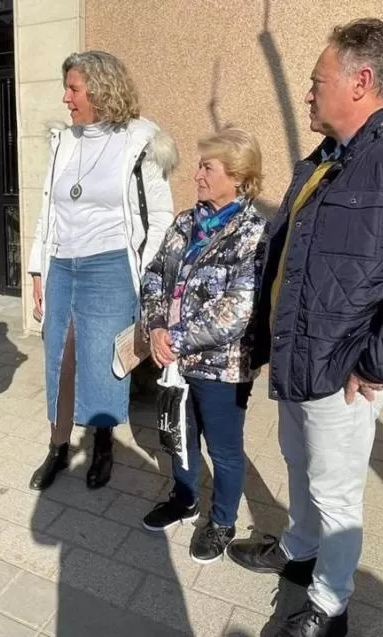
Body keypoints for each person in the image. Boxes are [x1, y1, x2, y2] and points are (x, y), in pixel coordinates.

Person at [226, 19, 383, 637]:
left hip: (344, 369)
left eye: (317, 81)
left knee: (336, 493)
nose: (307, 93)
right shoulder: (323, 162)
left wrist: (379, 361)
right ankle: (298, 547)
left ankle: (329, 603)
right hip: (298, 357)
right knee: (296, 462)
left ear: (361, 82)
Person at [28, 50, 177, 492]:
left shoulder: (140, 139)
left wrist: (144, 275)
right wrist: (37, 270)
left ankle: (103, 444)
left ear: (100, 89)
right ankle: (58, 446)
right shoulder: (65, 140)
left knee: (103, 361)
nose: (66, 98)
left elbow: (160, 215)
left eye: (73, 89)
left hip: (110, 264)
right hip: (61, 263)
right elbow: (48, 210)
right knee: (60, 358)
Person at [140, 128, 268, 564]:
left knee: (224, 449)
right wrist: (157, 327)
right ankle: (185, 498)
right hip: (174, 360)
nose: (196, 175)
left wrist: (175, 339)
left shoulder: (253, 232)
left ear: (238, 176)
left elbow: (238, 309)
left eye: (207, 168)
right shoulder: (185, 222)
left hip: (221, 366)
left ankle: (222, 521)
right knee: (180, 435)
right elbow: (154, 274)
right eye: (199, 166)